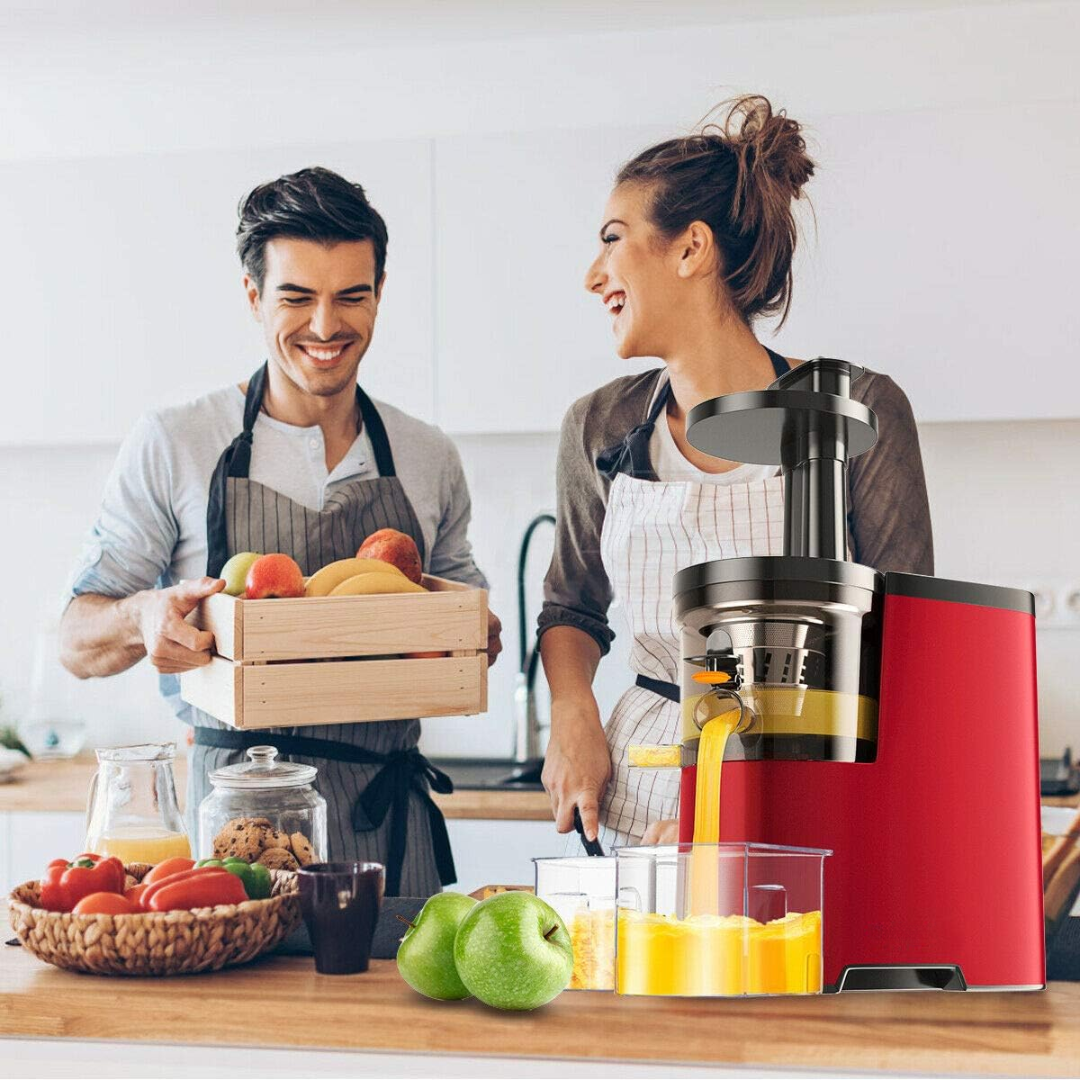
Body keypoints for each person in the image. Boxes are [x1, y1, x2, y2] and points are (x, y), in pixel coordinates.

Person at [60, 166, 502, 896]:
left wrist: (472, 630)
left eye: (350, 297)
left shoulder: (427, 456)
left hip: (387, 826)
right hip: (236, 833)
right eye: (297, 298)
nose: (326, 327)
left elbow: (464, 615)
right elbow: (76, 641)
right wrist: (143, 618)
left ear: (380, 294)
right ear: (253, 296)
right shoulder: (176, 441)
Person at [538, 97, 933, 852]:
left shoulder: (858, 409)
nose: (594, 276)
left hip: (810, 792)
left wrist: (737, 805)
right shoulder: (600, 426)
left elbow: (906, 643)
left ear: (691, 249)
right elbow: (571, 606)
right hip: (641, 797)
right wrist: (573, 713)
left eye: (613, 240)